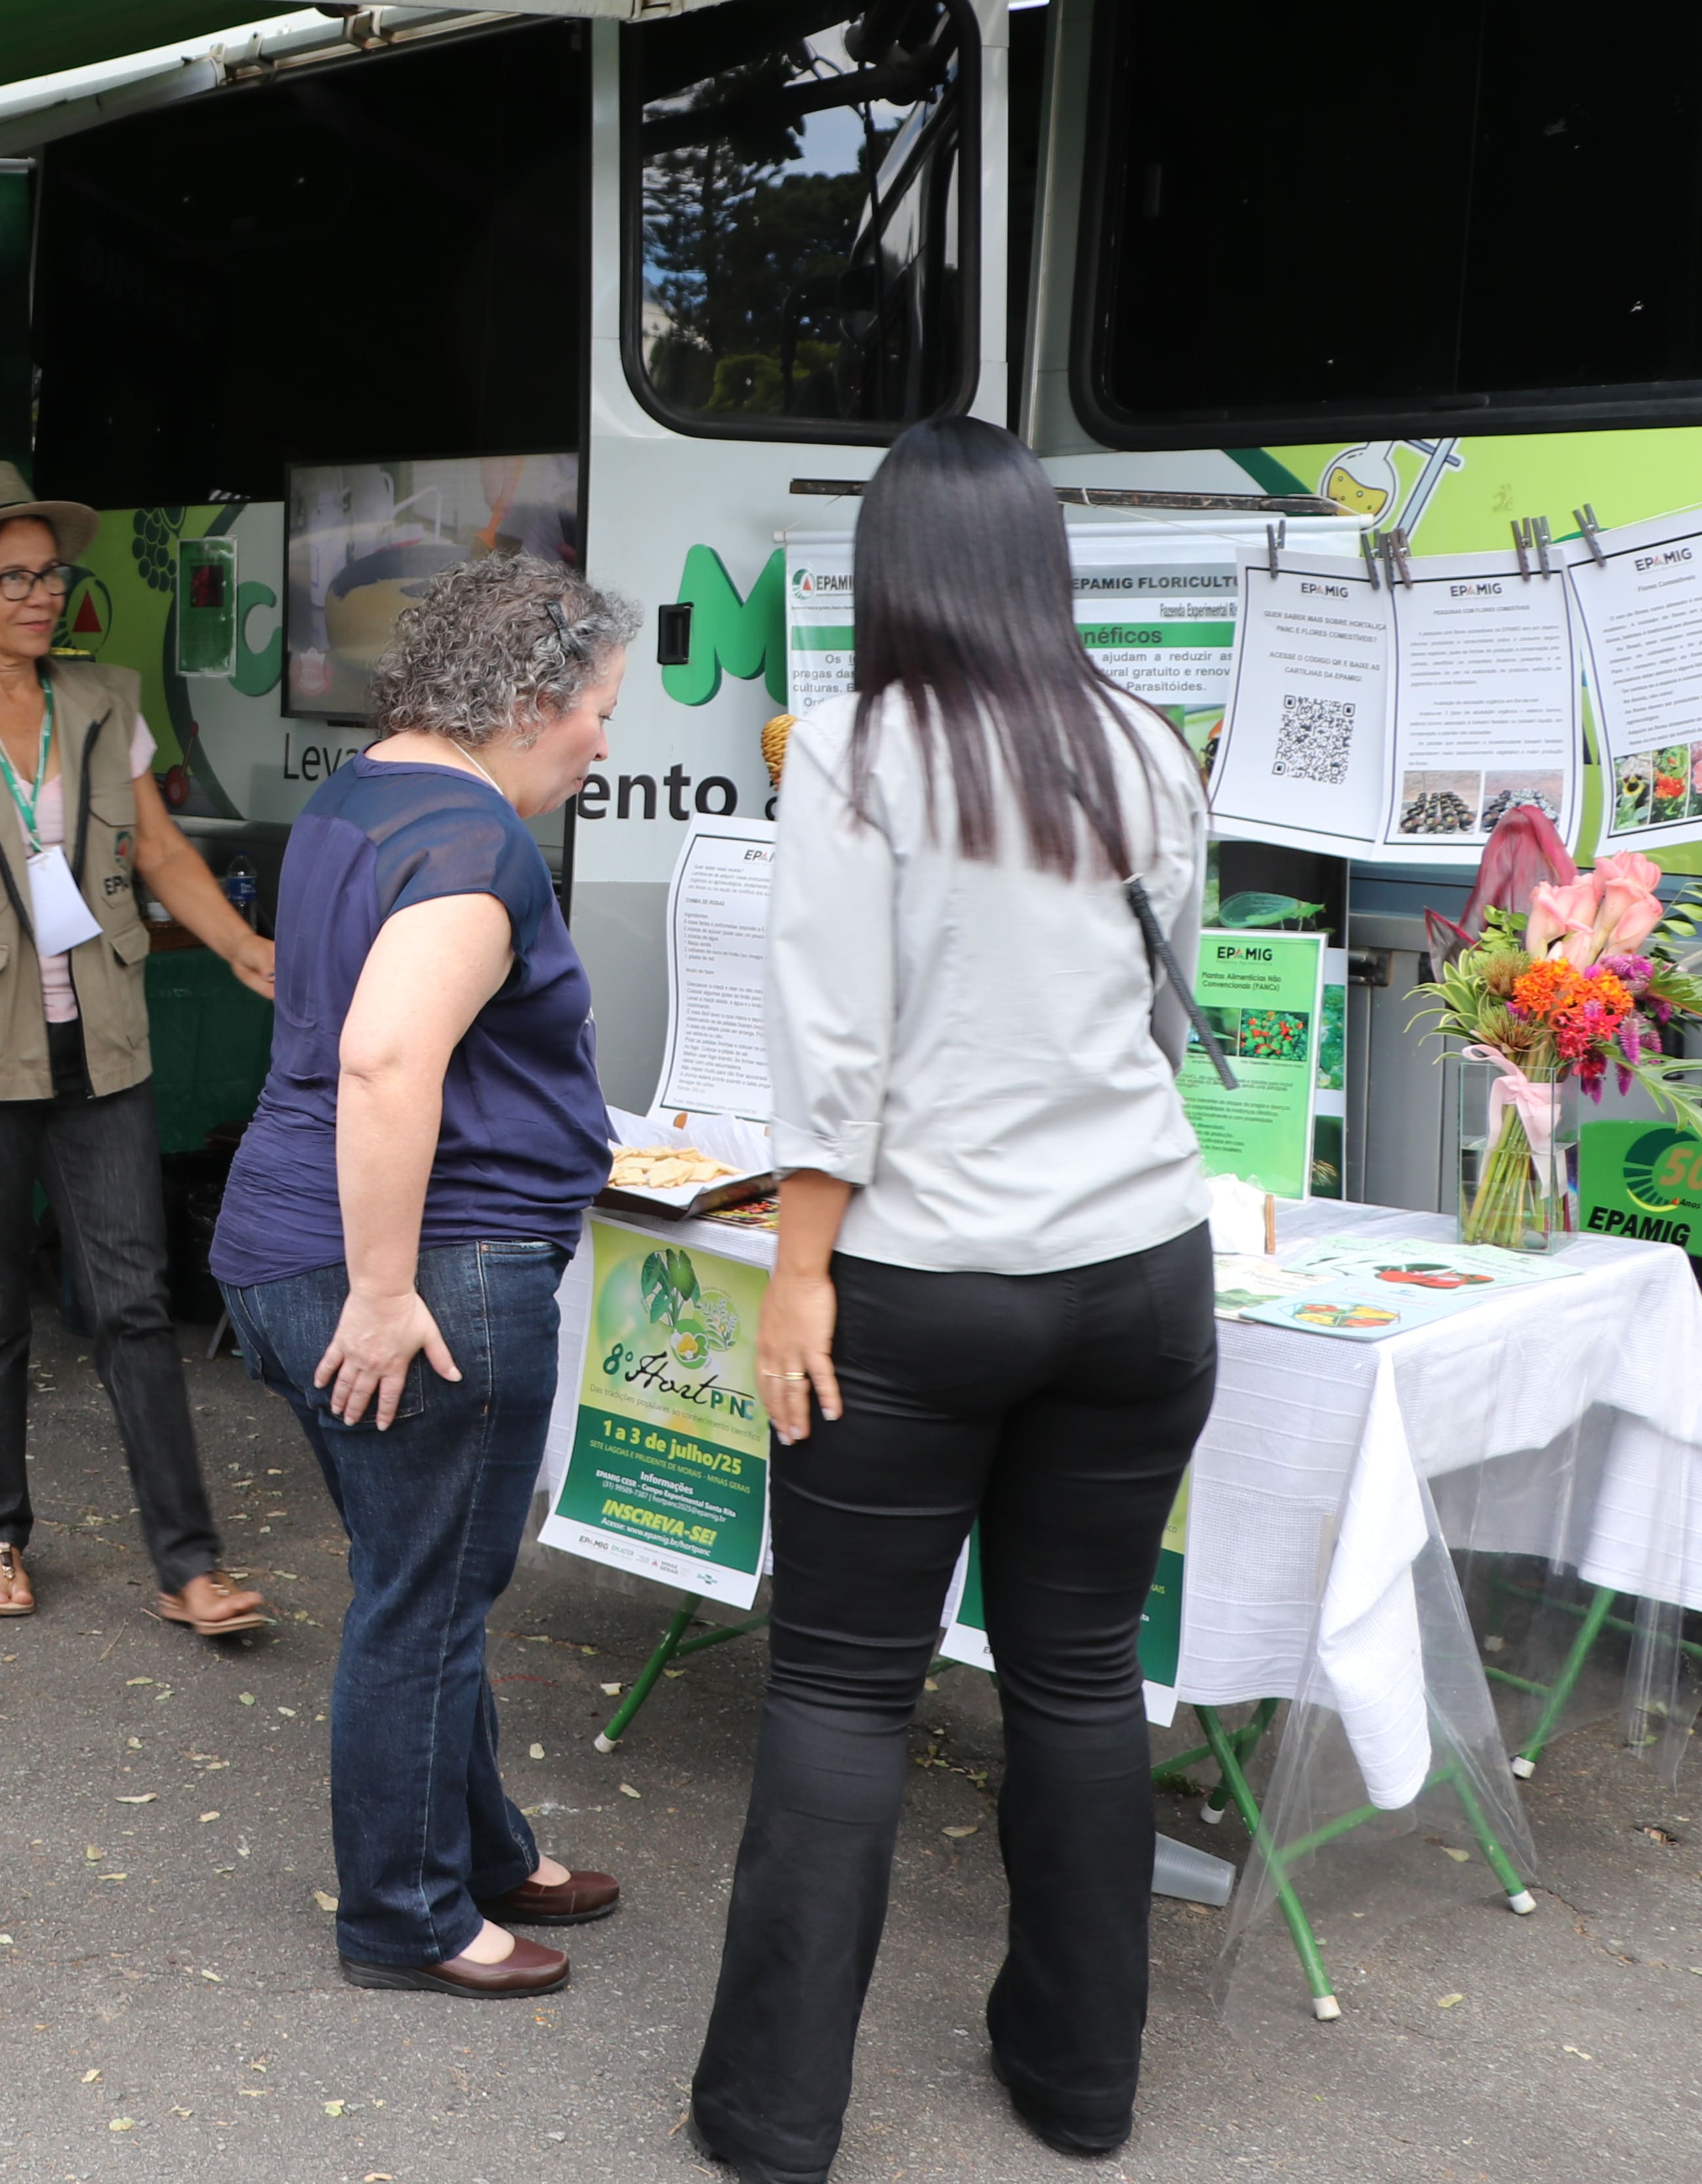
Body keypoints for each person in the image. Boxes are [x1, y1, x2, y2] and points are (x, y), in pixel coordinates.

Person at [690, 419, 1216, 2183]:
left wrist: (799, 1275)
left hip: (923, 1282)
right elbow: (1167, 1001)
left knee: (842, 1692)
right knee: (1078, 1680)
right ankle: (1082, 2088)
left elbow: (834, 1054)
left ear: (891, 571)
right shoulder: (1142, 745)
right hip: (1141, 1274)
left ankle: (774, 2119)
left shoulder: (852, 752)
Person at [209, 554, 636, 2002]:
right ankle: (409, 1914)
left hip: (290, 1241)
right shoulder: (476, 842)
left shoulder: (353, 795)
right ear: (526, 700)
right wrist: (387, 1294)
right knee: (427, 1597)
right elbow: (391, 1058)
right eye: (595, 709)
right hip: (420, 1269)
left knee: (423, 1570)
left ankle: (487, 1849)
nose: (602, 739)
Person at [0, 463, 274, 1636]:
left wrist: (243, 947)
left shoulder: (102, 701)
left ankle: (188, 1564)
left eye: (51, 573)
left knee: (131, 1301)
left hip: (102, 1043)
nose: (43, 595)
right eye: (15, 577)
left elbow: (166, 852)